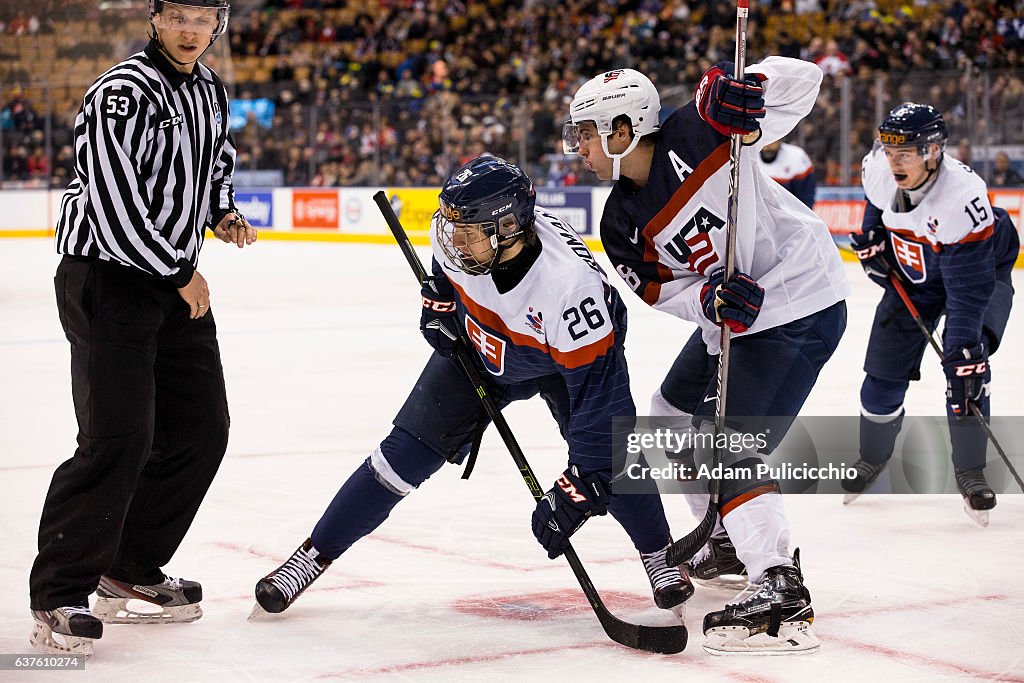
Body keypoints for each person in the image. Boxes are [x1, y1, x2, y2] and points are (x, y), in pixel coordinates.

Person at [252, 156, 693, 624]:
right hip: (482, 349)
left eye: (469, 232)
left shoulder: (570, 291)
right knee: (401, 454)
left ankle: (659, 555)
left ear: (508, 227)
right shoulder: (465, 240)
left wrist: (581, 487)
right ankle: (312, 555)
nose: (453, 241)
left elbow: (600, 406)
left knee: (614, 457)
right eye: (452, 228)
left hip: (566, 362)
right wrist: (437, 307)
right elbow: (445, 280)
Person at [563, 61, 849, 654]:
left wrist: (749, 86)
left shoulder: (701, 130)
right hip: (737, 322)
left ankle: (779, 585)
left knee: (727, 445)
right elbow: (659, 290)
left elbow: (804, 84)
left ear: (622, 130)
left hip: (798, 298)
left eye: (587, 132)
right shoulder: (620, 222)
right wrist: (706, 299)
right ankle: (724, 537)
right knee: (667, 409)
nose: (579, 146)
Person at [29, 0, 256, 659]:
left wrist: (222, 212)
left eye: (202, 17)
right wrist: (179, 270)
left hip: (171, 276)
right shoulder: (120, 91)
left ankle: (128, 565)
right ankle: (57, 594)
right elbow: (110, 196)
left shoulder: (209, 88)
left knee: (200, 429)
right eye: (178, 16)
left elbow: (215, 160)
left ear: (218, 22)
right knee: (116, 437)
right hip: (109, 278)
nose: (191, 30)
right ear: (155, 18)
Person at [845, 103, 1018, 526]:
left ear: (934, 150)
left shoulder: (963, 198)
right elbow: (876, 201)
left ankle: (971, 471)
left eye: (906, 152)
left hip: (978, 268)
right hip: (917, 273)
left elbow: (968, 290)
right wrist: (873, 235)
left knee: (967, 370)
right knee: (881, 377)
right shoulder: (881, 167)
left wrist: (961, 345)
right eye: (889, 151)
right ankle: (873, 457)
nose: (894, 160)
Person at [757, 138, 817, 208]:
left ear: (780, 140)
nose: (768, 146)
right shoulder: (746, 155)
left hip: (787, 213)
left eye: (772, 141)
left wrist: (802, 217)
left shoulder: (796, 156)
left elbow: (806, 197)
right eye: (765, 141)